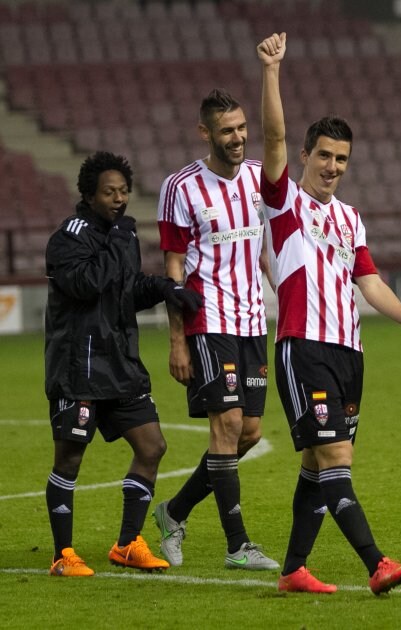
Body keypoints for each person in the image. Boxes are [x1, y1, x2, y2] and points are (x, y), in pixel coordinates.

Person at [257, 33, 401, 594]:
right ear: (305, 156)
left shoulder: (350, 219)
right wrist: (272, 71)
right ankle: (376, 564)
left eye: (342, 159)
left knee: (320, 464)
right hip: (302, 346)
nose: (333, 167)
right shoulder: (284, 202)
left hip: (348, 353)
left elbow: (370, 282)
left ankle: (292, 571)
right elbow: (274, 135)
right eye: (325, 156)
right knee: (334, 453)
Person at [44, 151, 202, 577]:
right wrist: (117, 238)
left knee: (152, 446)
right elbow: (88, 284)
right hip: (79, 367)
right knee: (71, 459)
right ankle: (62, 555)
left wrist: (167, 288)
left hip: (120, 362)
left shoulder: (123, 236)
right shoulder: (69, 238)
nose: (120, 199)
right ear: (88, 194)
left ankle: (128, 543)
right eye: (110, 192)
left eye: (124, 191)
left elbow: (125, 291)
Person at [153, 89, 279, 570]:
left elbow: (267, 248)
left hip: (251, 321)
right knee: (226, 425)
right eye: (227, 130)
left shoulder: (257, 179)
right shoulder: (181, 187)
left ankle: (174, 511)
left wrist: (282, 297)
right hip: (208, 321)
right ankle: (238, 546)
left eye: (243, 127)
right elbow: (174, 266)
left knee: (248, 432)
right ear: (205, 132)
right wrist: (177, 339)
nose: (239, 137)